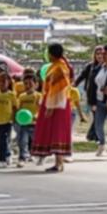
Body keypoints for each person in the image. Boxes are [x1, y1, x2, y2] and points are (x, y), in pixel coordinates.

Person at [32, 43, 74, 173]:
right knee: (52, 131)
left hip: (58, 104)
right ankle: (57, 161)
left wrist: (51, 106)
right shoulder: (55, 66)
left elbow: (60, 90)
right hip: (51, 102)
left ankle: (59, 162)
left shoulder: (60, 68)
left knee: (58, 132)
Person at [75, 46, 104, 143]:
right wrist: (74, 85)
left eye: (101, 53)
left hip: (103, 95)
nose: (99, 56)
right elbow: (81, 76)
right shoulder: (90, 66)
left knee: (99, 116)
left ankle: (92, 135)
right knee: (97, 116)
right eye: (97, 54)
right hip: (92, 95)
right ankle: (93, 136)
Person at [15, 75, 41, 168]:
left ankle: (38, 155)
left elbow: (40, 108)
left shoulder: (38, 96)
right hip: (24, 123)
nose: (28, 85)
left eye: (30, 83)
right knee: (22, 141)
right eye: (25, 84)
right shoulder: (21, 96)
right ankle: (22, 157)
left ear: (36, 84)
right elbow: (19, 108)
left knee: (36, 140)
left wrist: (36, 116)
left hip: (34, 123)